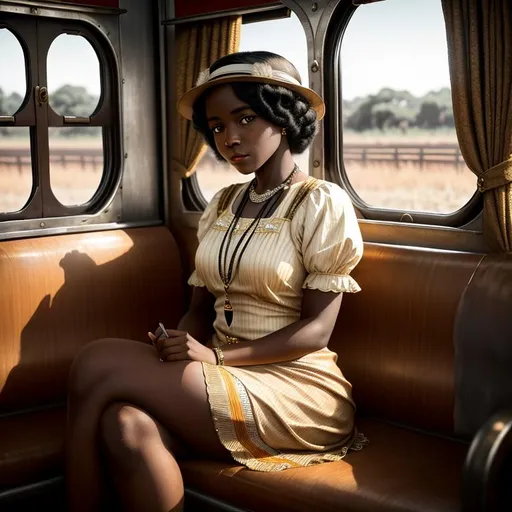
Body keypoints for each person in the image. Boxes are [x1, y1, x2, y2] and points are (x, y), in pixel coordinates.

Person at [66, 50, 366, 512]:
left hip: (295, 389)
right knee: (124, 427)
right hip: (218, 373)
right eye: (219, 127)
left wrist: (216, 356)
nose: (230, 137)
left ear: (283, 118)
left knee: (96, 361)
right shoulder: (222, 205)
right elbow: (200, 309)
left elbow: (316, 331)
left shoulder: (322, 203)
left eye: (245, 118)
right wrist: (181, 342)